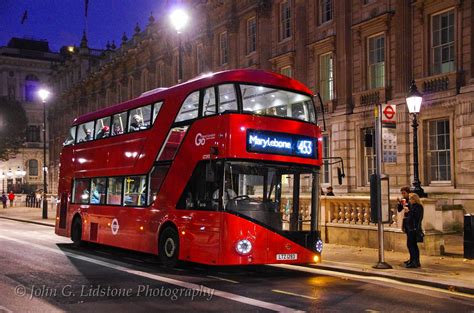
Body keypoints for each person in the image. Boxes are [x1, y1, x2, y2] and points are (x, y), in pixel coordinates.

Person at [403, 193, 424, 268]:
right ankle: (413, 260)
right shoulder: (412, 206)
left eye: (411, 199)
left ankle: (415, 261)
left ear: (414, 199)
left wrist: (409, 211)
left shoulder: (418, 207)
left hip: (414, 228)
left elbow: (416, 217)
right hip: (410, 228)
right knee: (411, 245)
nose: (410, 200)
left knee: (412, 245)